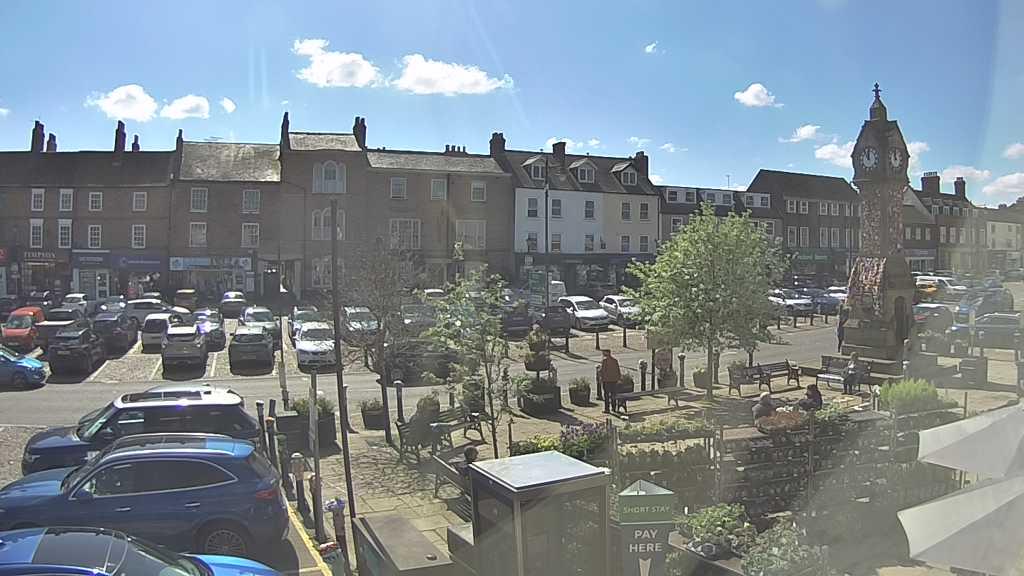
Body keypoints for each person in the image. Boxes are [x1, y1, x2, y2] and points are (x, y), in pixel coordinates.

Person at [599, 349, 621, 413]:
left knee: (606, 395)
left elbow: (602, 371)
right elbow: (618, 370)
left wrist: (601, 377)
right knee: (613, 394)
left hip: (606, 380)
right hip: (614, 380)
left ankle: (607, 409)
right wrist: (618, 378)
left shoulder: (604, 361)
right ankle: (614, 408)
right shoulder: (615, 360)